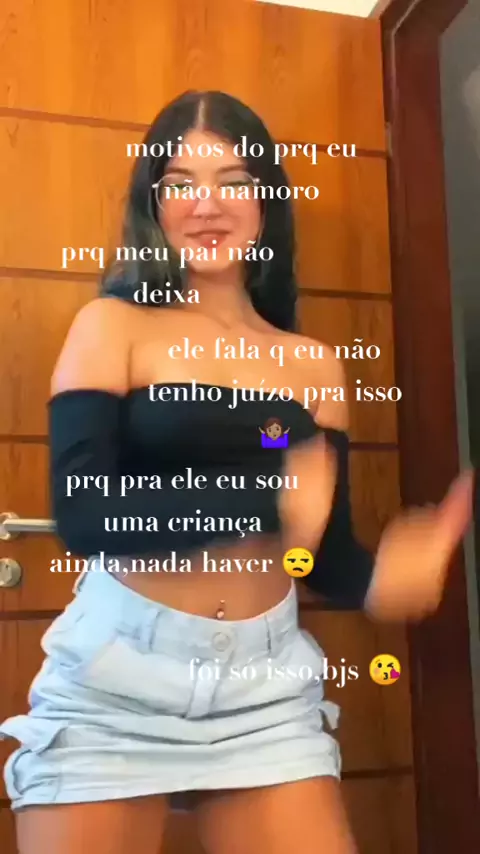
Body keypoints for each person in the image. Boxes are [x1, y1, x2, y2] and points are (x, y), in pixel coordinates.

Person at [0, 90, 472, 854]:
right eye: (181, 182)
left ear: (265, 202)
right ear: (154, 202)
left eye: (233, 180)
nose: (206, 204)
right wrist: (263, 498)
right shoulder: (112, 327)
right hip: (118, 681)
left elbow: (320, 552)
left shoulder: (312, 365)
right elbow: (85, 513)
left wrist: (384, 581)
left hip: (265, 688)